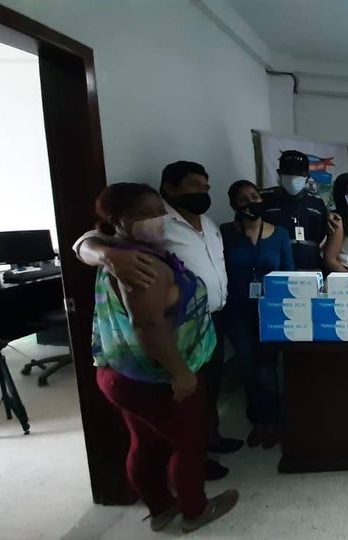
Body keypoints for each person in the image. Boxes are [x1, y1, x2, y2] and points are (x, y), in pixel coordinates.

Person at [73, 160, 241, 480]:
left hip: (211, 321)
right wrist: (107, 255)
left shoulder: (210, 224)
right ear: (170, 189)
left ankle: (212, 438)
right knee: (183, 413)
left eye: (206, 186)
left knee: (209, 389)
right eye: (194, 185)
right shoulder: (149, 232)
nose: (203, 191)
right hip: (172, 333)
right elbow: (86, 241)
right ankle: (197, 462)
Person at [220, 181, 294, 448]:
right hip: (237, 311)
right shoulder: (225, 233)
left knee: (267, 367)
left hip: (270, 311)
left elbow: (288, 272)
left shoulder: (280, 234)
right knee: (247, 366)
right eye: (244, 199)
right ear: (234, 205)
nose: (251, 202)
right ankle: (257, 420)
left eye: (255, 196)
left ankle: (273, 421)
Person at [259, 150, 329, 271]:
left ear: (307, 176)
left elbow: (323, 234)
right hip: (273, 270)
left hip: (309, 269)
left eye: (299, 173)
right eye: (288, 172)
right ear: (279, 173)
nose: (293, 177)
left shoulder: (317, 203)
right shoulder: (263, 199)